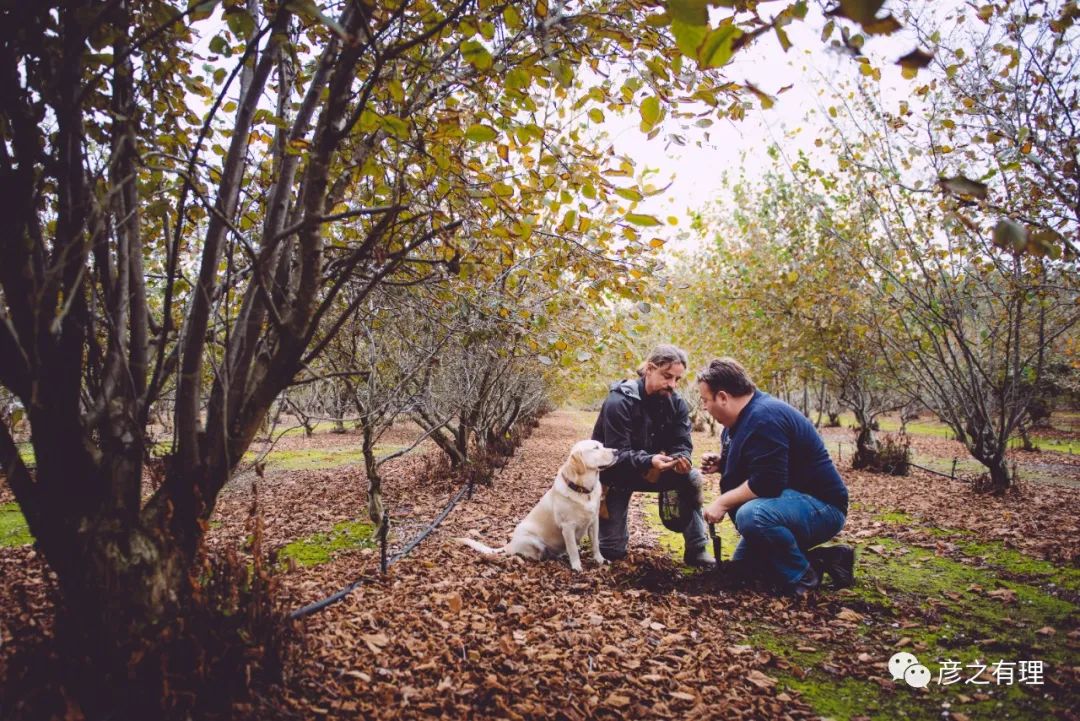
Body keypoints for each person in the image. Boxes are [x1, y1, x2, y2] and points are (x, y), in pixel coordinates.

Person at [696, 357, 854, 599]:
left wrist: (722, 502)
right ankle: (829, 560)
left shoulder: (765, 418)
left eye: (705, 400)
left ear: (723, 397)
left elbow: (767, 482)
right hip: (786, 505)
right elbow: (764, 463)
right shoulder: (737, 423)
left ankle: (804, 575)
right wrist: (723, 464)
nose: (704, 407)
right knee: (743, 570)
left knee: (753, 516)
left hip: (821, 507)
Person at [591, 344, 715, 567]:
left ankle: (697, 549)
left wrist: (681, 458)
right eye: (667, 376)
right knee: (611, 551)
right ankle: (611, 541)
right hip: (617, 475)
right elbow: (615, 455)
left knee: (692, 477)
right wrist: (650, 460)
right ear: (649, 368)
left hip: (657, 472)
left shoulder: (676, 403)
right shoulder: (619, 401)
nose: (672, 385)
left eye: (677, 379)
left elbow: (682, 441)